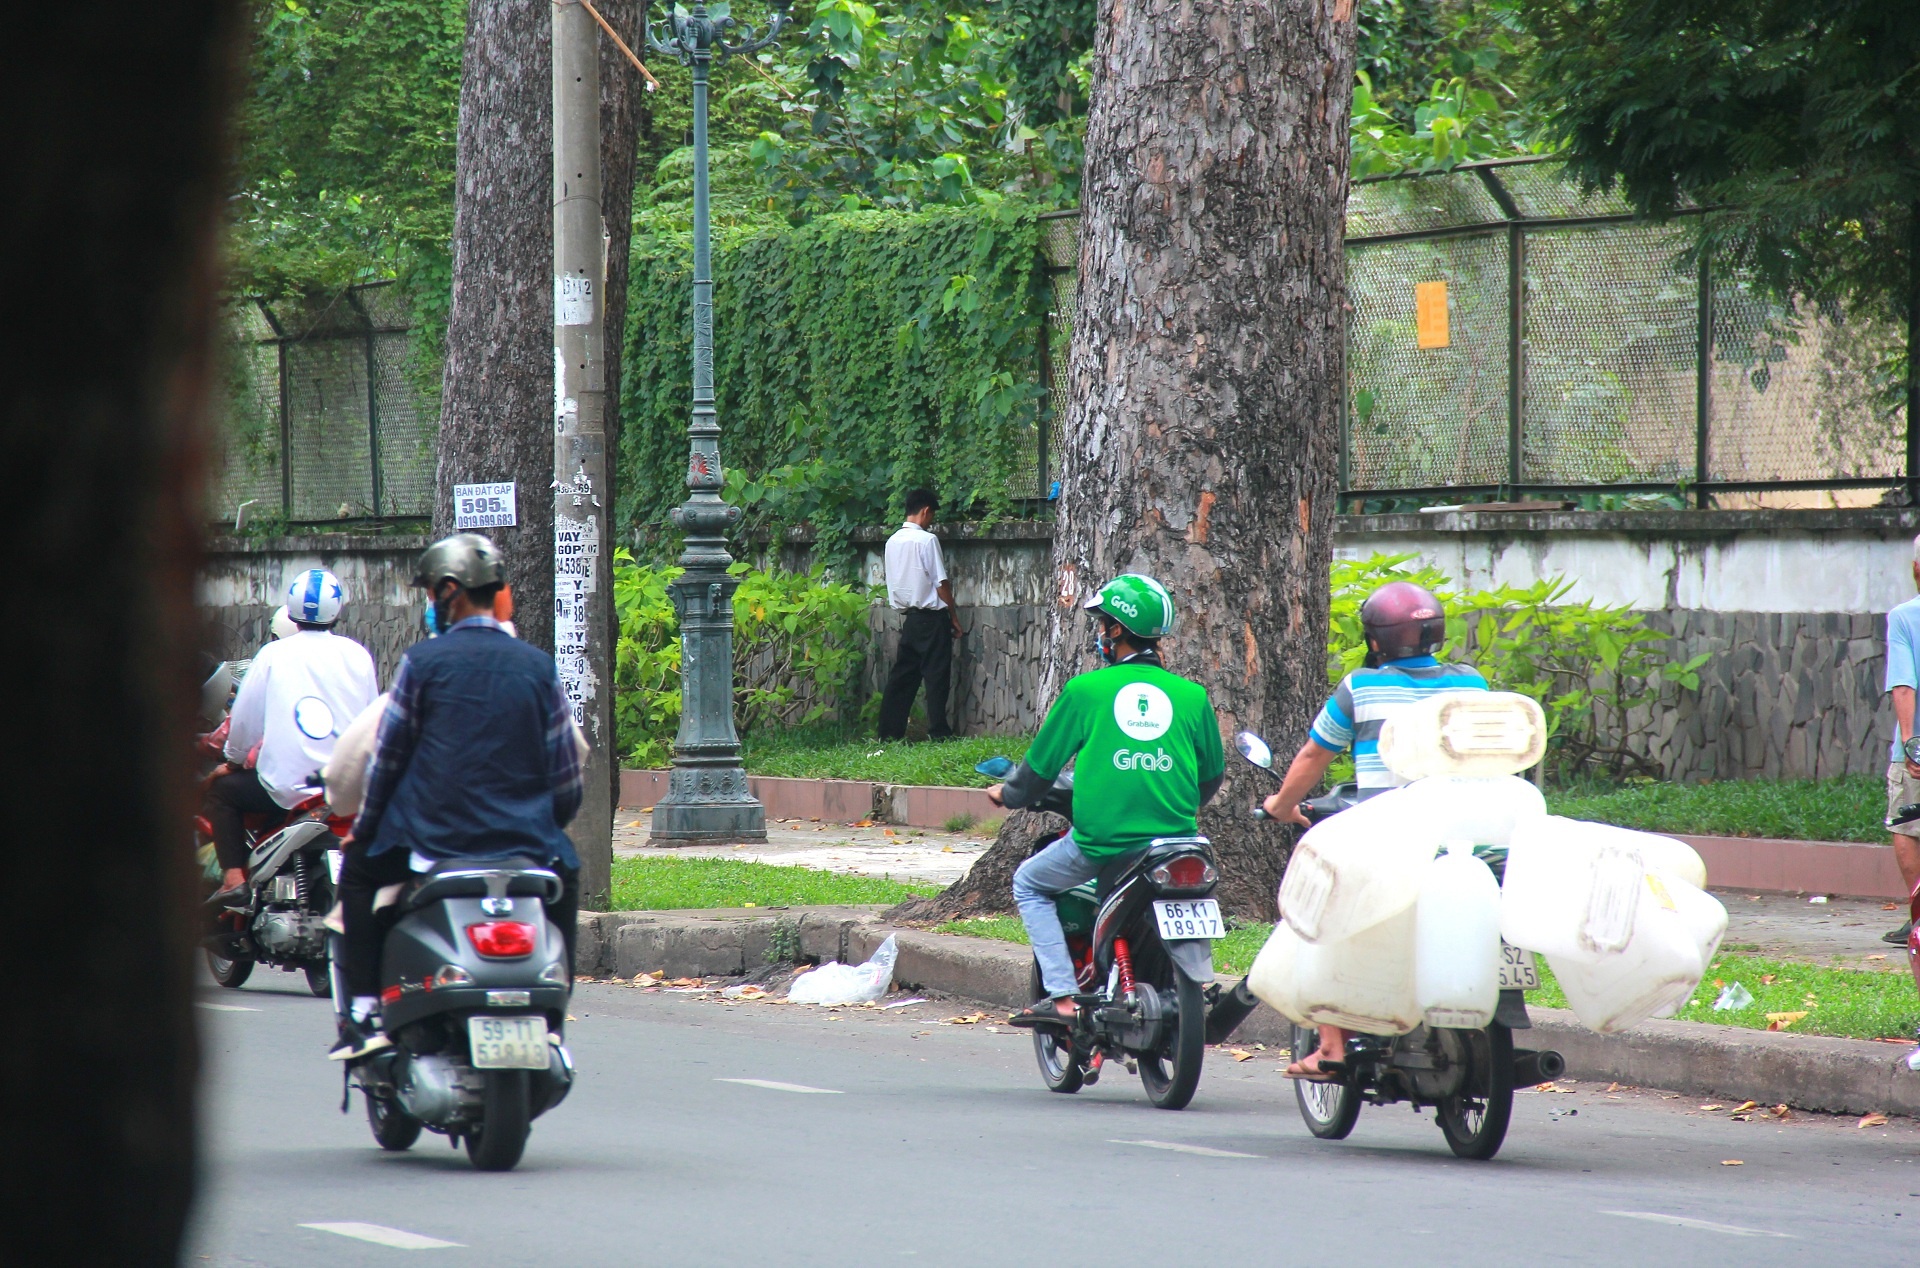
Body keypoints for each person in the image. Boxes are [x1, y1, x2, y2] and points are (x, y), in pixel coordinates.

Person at [330, 533, 584, 1061]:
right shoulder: (538, 667)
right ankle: (554, 1017)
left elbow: (388, 762)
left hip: (436, 845)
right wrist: (543, 826)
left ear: (450, 592)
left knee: (355, 872)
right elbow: (566, 783)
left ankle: (362, 1013)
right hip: (525, 846)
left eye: (429, 595)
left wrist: (366, 830)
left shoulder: (422, 665)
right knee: (569, 871)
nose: (429, 607)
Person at [1260, 579, 1487, 1079]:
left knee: (1322, 908)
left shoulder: (1361, 688)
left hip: (1393, 842)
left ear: (1377, 640)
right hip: (1473, 840)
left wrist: (1281, 805)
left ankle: (1332, 1046)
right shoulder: (1472, 685)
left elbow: (1315, 754)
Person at [984, 574, 1224, 1027]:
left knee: (1028, 883)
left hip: (1102, 843)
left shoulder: (1085, 692)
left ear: (1115, 632)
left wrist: (1007, 793)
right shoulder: (1192, 698)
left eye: (1102, 626)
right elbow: (1210, 778)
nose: (1099, 635)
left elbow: (1037, 774)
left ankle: (1061, 996)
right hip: (1176, 844)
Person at [205, 569, 377, 904]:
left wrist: (234, 760)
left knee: (222, 794)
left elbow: (244, 722)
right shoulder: (358, 655)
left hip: (284, 790)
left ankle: (234, 879)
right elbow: (370, 722)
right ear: (337, 610)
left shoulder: (273, 654)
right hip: (344, 789)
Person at [877, 488, 963, 740]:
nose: (931, 521)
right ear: (925, 511)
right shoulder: (927, 540)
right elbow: (940, 582)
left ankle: (889, 733)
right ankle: (938, 732)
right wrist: (953, 617)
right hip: (933, 618)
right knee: (936, 676)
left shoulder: (892, 541)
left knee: (902, 678)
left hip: (910, 619)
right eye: (931, 515)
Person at [1882, 535, 1920, 949]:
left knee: (1908, 825)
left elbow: (1904, 685)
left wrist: (1911, 743)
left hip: (1918, 745)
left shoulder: (1905, 618)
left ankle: (1919, 915)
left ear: (1915, 570)